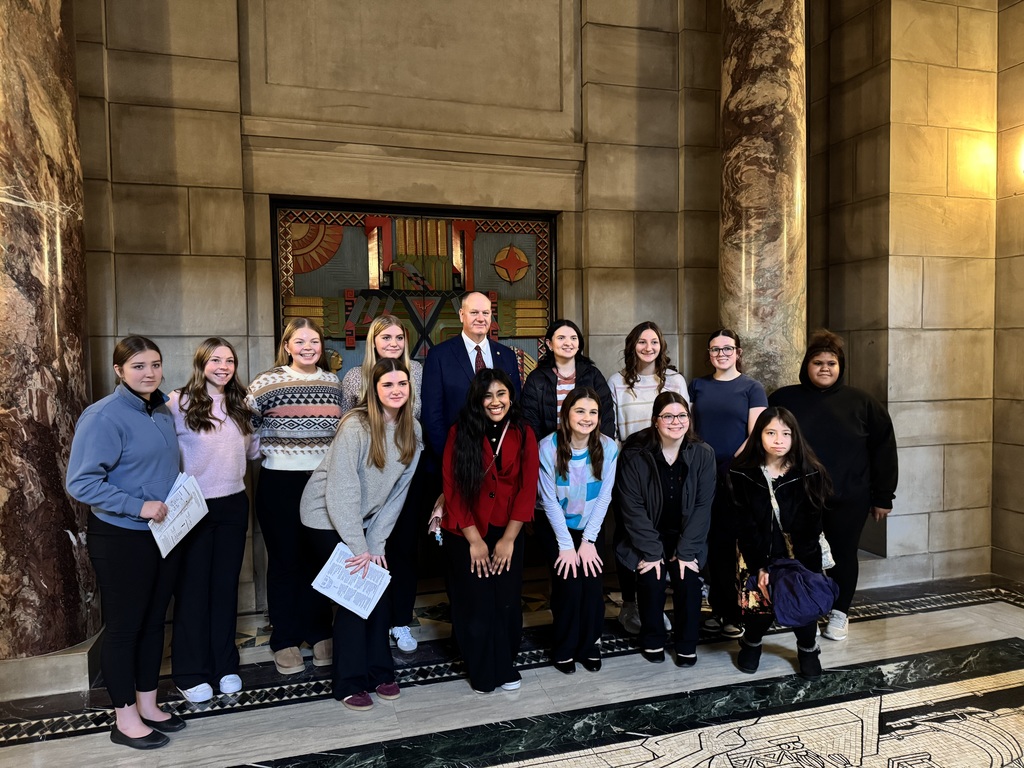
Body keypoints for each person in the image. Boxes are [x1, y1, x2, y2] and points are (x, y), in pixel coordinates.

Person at [66, 336, 185, 750]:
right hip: (121, 538)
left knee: (154, 623)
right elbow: (80, 482)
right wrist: (138, 506)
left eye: (155, 364)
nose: (149, 372)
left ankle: (148, 705)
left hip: (163, 535)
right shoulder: (103, 416)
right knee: (124, 629)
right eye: (138, 366)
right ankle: (125, 718)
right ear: (119, 370)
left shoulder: (162, 410)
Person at [301, 359, 422, 711]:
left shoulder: (412, 429)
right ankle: (349, 682)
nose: (396, 390)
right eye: (388, 385)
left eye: (402, 384)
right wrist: (359, 549)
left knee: (381, 591)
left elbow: (398, 493)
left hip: (366, 521)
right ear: (374, 389)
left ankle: (379, 672)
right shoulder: (355, 425)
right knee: (355, 596)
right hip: (324, 516)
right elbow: (341, 490)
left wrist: (376, 544)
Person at [769, 330, 898, 642]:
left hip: (849, 497)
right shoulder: (784, 399)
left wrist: (883, 496)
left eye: (831, 363)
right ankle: (809, 608)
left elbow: (884, 450)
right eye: (817, 362)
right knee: (804, 555)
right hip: (799, 497)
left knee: (843, 554)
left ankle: (840, 612)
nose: (824, 368)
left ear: (840, 366)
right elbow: (767, 441)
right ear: (806, 365)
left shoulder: (863, 403)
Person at [246, 317, 343, 675]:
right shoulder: (267, 382)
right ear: (287, 346)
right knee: (285, 561)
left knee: (318, 559)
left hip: (321, 483)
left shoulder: (333, 383)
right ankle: (284, 638)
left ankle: (319, 632)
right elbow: (244, 422)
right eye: (300, 342)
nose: (308, 348)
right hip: (280, 483)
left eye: (314, 341)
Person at [167, 338, 261, 703]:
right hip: (192, 506)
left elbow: (251, 451)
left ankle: (225, 665)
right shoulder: (178, 403)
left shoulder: (241, 404)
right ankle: (190, 672)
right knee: (192, 591)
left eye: (230, 360)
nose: (223, 366)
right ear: (201, 363)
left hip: (234, 504)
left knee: (224, 589)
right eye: (216, 360)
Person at [441, 369, 539, 693]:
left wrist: (509, 539)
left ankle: (505, 664)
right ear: (477, 399)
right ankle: (481, 668)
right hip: (468, 531)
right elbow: (453, 489)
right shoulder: (460, 432)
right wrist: (474, 540)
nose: (495, 402)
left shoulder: (524, 431)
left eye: (501, 394)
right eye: (488, 395)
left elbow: (527, 488)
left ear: (511, 396)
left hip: (508, 528)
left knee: (507, 601)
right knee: (476, 603)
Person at [727, 407, 833, 680]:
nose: (779, 440)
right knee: (759, 603)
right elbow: (744, 523)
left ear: (794, 437)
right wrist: (760, 565)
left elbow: (813, 522)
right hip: (757, 548)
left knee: (801, 599)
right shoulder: (742, 473)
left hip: (800, 550)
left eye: (786, 433)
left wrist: (804, 565)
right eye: (771, 432)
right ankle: (752, 641)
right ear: (758, 436)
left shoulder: (809, 472)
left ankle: (808, 648)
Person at [341, 315, 425, 654]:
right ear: (372, 340)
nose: (393, 342)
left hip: (405, 473)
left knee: (404, 549)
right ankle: (372, 618)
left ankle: (400, 620)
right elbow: (345, 426)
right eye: (385, 336)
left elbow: (419, 418)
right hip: (367, 478)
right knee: (371, 549)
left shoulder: (418, 372)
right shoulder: (352, 378)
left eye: (399, 337)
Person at [612, 393, 715, 666]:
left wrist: (686, 552)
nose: (676, 422)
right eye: (668, 416)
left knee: (689, 580)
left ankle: (686, 643)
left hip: (686, 536)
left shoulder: (703, 453)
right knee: (651, 578)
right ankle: (653, 639)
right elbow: (630, 507)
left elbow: (703, 507)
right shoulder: (635, 453)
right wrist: (652, 552)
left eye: (682, 416)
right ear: (656, 421)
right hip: (645, 535)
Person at [606, 321, 689, 634]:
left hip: (668, 463)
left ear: (661, 346)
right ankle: (630, 604)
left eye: (654, 342)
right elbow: (611, 428)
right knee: (629, 533)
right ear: (632, 346)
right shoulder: (616, 381)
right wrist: (621, 463)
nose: (648, 347)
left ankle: (653, 604)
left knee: (663, 532)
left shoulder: (675, 381)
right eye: (642, 342)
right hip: (632, 463)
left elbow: (685, 422)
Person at [688, 329, 768, 639]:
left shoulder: (752, 387)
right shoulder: (698, 385)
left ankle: (737, 614)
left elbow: (755, 435)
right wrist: (702, 463)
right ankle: (718, 609)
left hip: (736, 476)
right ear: (708, 353)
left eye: (727, 348)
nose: (721, 353)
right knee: (712, 546)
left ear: (738, 352)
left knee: (736, 548)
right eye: (715, 349)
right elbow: (690, 428)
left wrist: (729, 466)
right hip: (702, 474)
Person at [537, 387, 618, 674]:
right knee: (569, 586)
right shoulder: (547, 448)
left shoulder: (609, 448)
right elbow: (548, 501)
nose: (587, 417)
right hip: (557, 527)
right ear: (566, 414)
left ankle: (588, 645)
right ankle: (565, 646)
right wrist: (566, 545)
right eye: (580, 411)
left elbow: (605, 496)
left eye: (593, 412)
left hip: (589, 528)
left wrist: (588, 541)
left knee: (593, 587)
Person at [422, 291, 523, 465]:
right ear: (462, 315)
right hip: (457, 456)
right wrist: (449, 457)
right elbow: (432, 415)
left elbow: (515, 404)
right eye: (474, 312)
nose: (481, 318)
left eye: (485, 313)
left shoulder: (507, 356)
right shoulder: (439, 356)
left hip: (500, 456)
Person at [520, 318, 614, 441]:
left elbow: (606, 417)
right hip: (549, 452)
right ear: (549, 344)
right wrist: (543, 451)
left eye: (573, 338)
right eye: (561, 338)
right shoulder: (536, 379)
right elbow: (530, 421)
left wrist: (600, 448)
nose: (568, 343)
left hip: (589, 451)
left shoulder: (593, 375)